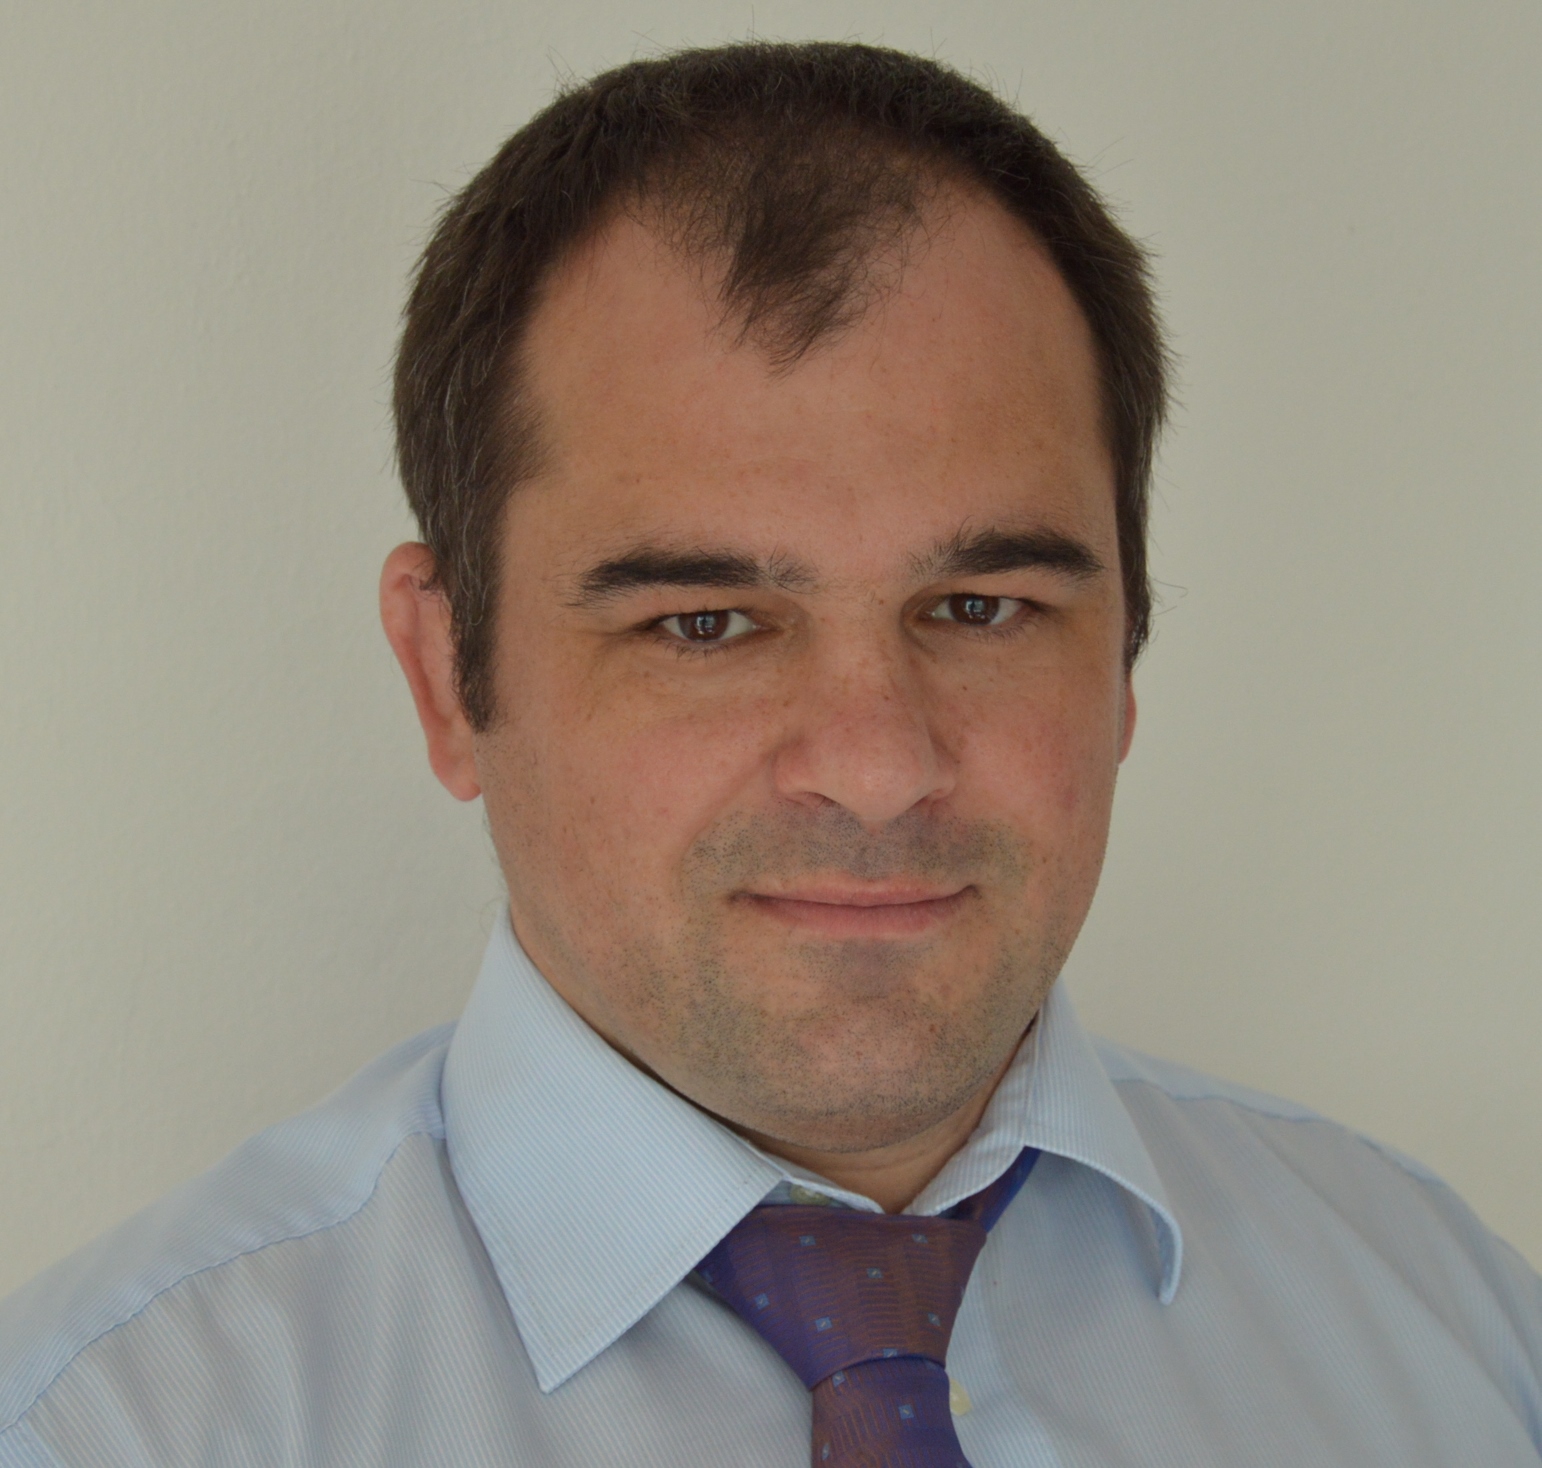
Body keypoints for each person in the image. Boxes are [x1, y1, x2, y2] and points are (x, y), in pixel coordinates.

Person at [1, 39, 1538, 1468]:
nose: (875, 768)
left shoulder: (1448, 1329)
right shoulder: (114, 1425)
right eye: (704, 625)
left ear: (1122, 649)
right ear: (445, 677)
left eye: (982, 607)